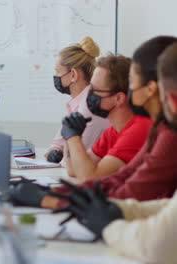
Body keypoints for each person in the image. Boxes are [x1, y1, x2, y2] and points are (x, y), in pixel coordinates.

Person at [7, 36, 177, 209]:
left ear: (151, 89)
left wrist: (48, 200)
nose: (89, 96)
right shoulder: (156, 129)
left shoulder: (149, 131)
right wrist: (51, 192)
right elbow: (114, 180)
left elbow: (122, 191)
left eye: (132, 82)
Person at [51, 43, 177, 263]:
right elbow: (119, 179)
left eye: (131, 86)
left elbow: (118, 186)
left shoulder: (149, 130)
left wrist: (106, 222)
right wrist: (56, 196)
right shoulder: (153, 129)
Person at [62, 55, 152, 181]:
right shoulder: (112, 131)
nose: (89, 95)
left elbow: (89, 178)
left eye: (94, 90)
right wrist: (69, 135)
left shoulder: (139, 129)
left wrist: (73, 138)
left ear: (119, 98)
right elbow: (73, 170)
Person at [45, 36, 109, 163]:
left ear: (73, 74)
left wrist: (62, 155)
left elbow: (75, 160)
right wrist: (55, 149)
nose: (56, 76)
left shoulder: (89, 107)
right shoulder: (78, 103)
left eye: (58, 71)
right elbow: (59, 141)